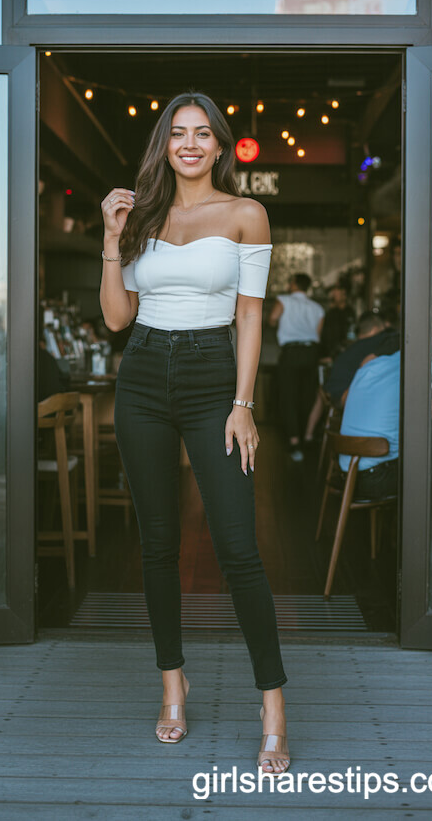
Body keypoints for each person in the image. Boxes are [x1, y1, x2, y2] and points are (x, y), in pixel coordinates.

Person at [100, 92, 290, 775]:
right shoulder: (141, 214)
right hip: (143, 374)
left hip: (214, 377)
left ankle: (272, 706)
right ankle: (172, 686)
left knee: (239, 548)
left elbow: (249, 317)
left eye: (202, 133)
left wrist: (243, 403)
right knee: (157, 546)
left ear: (219, 145)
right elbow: (119, 318)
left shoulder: (246, 214)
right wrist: (109, 239)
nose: (189, 144)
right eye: (177, 133)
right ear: (164, 145)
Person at [268, 272, 324, 461]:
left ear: (293, 284)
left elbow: (272, 319)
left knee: (287, 397)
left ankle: (293, 441)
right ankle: (306, 436)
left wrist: (282, 326)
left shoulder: (283, 300)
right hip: (311, 353)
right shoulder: (318, 308)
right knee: (307, 396)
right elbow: (318, 333)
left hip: (291, 353)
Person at [338, 350, 400, 500]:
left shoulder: (367, 369)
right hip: (376, 480)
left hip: (345, 477)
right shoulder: (410, 370)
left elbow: (342, 402)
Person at [324, 310, 400, 409]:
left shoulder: (349, 349)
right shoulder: (379, 341)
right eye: (384, 329)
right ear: (375, 329)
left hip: (333, 397)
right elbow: (401, 339)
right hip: (352, 398)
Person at [319, 283, 355, 361]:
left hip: (347, 351)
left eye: (336, 294)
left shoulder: (350, 312)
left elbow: (351, 332)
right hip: (332, 354)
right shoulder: (331, 313)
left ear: (344, 294)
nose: (334, 296)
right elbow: (327, 336)